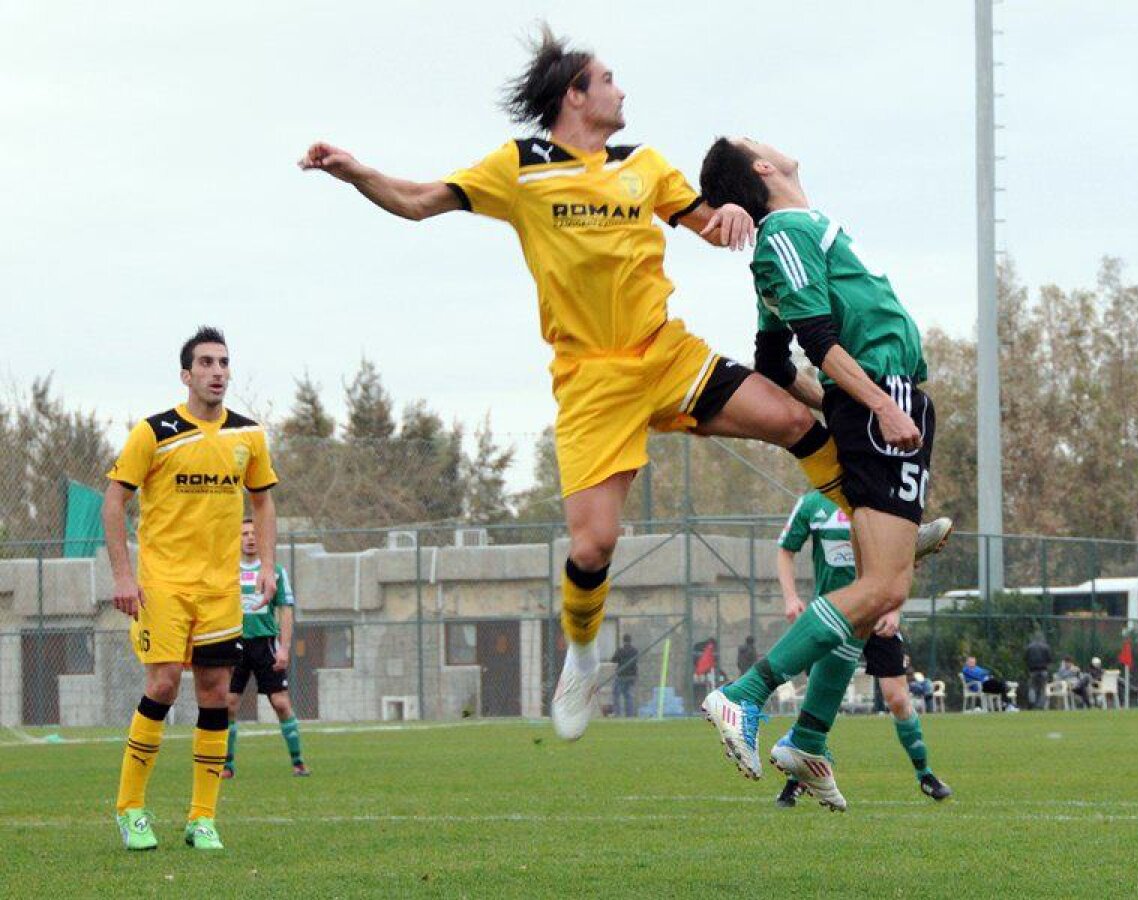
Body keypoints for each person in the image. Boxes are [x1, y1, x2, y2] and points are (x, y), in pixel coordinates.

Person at [299, 26, 858, 743]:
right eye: (609, 79)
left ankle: (878, 533)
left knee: (794, 421)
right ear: (576, 95)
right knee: (594, 546)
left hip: (664, 353)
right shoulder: (520, 168)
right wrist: (355, 171)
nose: (622, 90)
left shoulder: (645, 164)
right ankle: (582, 654)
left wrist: (733, 212)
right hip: (591, 380)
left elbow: (710, 228)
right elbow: (417, 201)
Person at [696, 136, 953, 793]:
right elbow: (814, 342)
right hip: (885, 397)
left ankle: (808, 739)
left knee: (875, 594)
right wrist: (874, 404)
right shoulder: (786, 230)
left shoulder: (791, 237)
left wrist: (842, 402)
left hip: (877, 400)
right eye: (758, 141)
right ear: (761, 167)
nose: (772, 142)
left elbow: (776, 363)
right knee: (882, 590)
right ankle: (744, 695)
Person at [102, 327, 278, 852]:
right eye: (206, 362)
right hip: (163, 585)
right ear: (187, 374)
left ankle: (203, 818)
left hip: (220, 590)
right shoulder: (153, 433)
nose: (217, 371)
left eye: (224, 362)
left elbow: (264, 503)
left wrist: (266, 565)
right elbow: (114, 502)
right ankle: (130, 809)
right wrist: (123, 576)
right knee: (160, 686)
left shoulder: (249, 436)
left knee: (215, 696)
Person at [771, 490, 952, 811]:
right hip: (832, 616)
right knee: (819, 700)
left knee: (897, 698)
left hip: (878, 613)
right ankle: (797, 780)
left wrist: (894, 609)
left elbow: (903, 563)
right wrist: (790, 598)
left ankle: (925, 773)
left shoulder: (877, 497)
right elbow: (786, 550)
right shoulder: (812, 503)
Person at [222, 519, 308, 779]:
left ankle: (298, 761)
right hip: (235, 643)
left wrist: (284, 648)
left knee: (281, 703)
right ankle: (227, 765)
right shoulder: (226, 572)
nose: (250, 538)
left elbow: (286, 610)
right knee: (229, 705)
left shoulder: (275, 572)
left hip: (265, 644)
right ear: (236, 539)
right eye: (244, 533)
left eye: (254, 533)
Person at [610, 634, 639, 718]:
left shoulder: (620, 650)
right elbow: (636, 661)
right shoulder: (635, 651)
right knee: (628, 695)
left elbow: (613, 660)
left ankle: (617, 713)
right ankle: (629, 714)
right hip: (632, 676)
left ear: (623, 641)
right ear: (630, 640)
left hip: (621, 675)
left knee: (616, 694)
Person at [1025, 631, 1053, 709]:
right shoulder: (1046, 647)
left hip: (1032, 670)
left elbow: (1025, 659)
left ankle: (1032, 703)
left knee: (1032, 687)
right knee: (1042, 688)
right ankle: (1040, 706)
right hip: (1043, 670)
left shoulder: (1029, 647)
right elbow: (1050, 659)